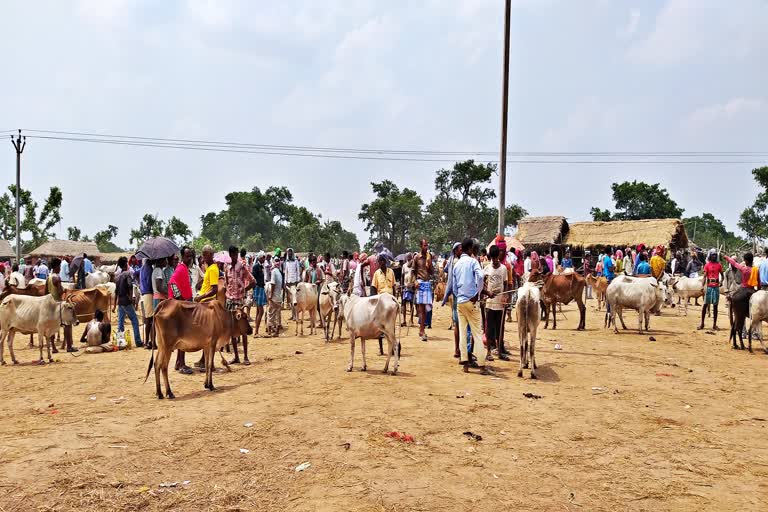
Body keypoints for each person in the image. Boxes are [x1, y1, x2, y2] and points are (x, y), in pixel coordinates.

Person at [452, 238, 491, 373]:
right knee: (477, 333)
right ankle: (481, 366)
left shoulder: (456, 264)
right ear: (469, 249)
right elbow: (480, 276)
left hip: (460, 302)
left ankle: (465, 365)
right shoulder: (473, 261)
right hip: (471, 301)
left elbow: (454, 286)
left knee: (463, 333)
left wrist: (460, 296)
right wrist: (477, 293)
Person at [225, 245, 255, 365]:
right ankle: (236, 357)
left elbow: (253, 281)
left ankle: (246, 357)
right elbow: (227, 283)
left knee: (243, 329)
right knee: (232, 331)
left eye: (236, 254)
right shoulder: (227, 268)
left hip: (239, 302)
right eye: (233, 254)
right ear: (230, 255)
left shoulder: (242, 267)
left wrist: (244, 290)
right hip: (230, 302)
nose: (235, 256)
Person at [168, 247, 194, 373]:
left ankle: (179, 362)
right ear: (183, 257)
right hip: (181, 307)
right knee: (183, 335)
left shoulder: (185, 269)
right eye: (187, 256)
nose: (190, 258)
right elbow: (172, 282)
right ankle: (182, 364)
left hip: (184, 304)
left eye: (191, 256)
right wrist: (180, 300)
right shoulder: (181, 268)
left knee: (182, 335)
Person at [47, 257, 77, 353]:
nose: (60, 268)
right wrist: (64, 290)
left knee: (51, 327)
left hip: (50, 305)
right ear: (56, 266)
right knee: (67, 324)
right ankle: (69, 346)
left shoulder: (49, 277)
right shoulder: (57, 277)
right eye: (59, 266)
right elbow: (60, 292)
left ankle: (54, 348)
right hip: (58, 304)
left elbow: (45, 293)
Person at [113, 256, 144, 348]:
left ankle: (120, 343)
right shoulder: (127, 274)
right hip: (126, 301)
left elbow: (116, 292)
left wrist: (115, 305)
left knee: (120, 323)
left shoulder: (117, 277)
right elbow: (130, 287)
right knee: (134, 320)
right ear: (126, 264)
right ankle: (138, 341)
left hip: (120, 302)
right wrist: (131, 299)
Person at [484, 245, 508, 361]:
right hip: (489, 303)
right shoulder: (487, 268)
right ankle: (488, 352)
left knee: (500, 328)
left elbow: (506, 283)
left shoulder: (503, 269)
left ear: (498, 256)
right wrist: (485, 292)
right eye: (492, 258)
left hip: (500, 304)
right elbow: (482, 282)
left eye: (496, 258)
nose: (494, 260)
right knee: (489, 329)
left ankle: (499, 351)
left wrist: (505, 295)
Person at [411, 239, 433, 342]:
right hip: (420, 283)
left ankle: (422, 329)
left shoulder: (429, 257)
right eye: (424, 245)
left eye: (427, 245)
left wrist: (430, 264)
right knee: (421, 308)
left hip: (427, 283)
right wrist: (414, 281)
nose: (426, 247)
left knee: (426, 308)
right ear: (420, 246)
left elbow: (432, 272)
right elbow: (413, 271)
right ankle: (422, 330)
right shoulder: (417, 257)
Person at [699, 252, 723, 330]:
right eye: (713, 255)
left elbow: (722, 275)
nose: (714, 256)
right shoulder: (707, 265)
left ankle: (714, 325)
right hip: (709, 287)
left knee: (715, 306)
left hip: (716, 287)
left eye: (715, 255)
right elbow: (705, 276)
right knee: (705, 304)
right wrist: (702, 286)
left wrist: (721, 282)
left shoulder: (719, 265)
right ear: (710, 256)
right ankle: (702, 323)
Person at [266, 258, 283, 337]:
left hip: (274, 296)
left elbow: (272, 284)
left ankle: (269, 332)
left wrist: (270, 295)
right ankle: (276, 332)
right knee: (277, 314)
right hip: (279, 296)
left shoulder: (273, 272)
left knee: (270, 313)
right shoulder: (279, 272)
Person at [283, 248, 301, 321]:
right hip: (288, 282)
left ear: (292, 253)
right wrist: (285, 281)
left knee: (295, 300)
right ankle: (292, 315)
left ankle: (296, 316)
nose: (289, 254)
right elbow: (286, 272)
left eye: (291, 253)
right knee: (290, 300)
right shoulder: (286, 262)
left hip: (294, 282)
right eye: (288, 253)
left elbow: (298, 271)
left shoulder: (296, 261)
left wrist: (298, 281)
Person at [252, 251, 267, 336]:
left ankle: (256, 331)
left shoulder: (261, 267)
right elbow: (253, 278)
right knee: (261, 311)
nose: (264, 259)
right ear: (260, 258)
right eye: (263, 257)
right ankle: (256, 331)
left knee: (258, 310)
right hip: (258, 289)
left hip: (260, 288)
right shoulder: (256, 267)